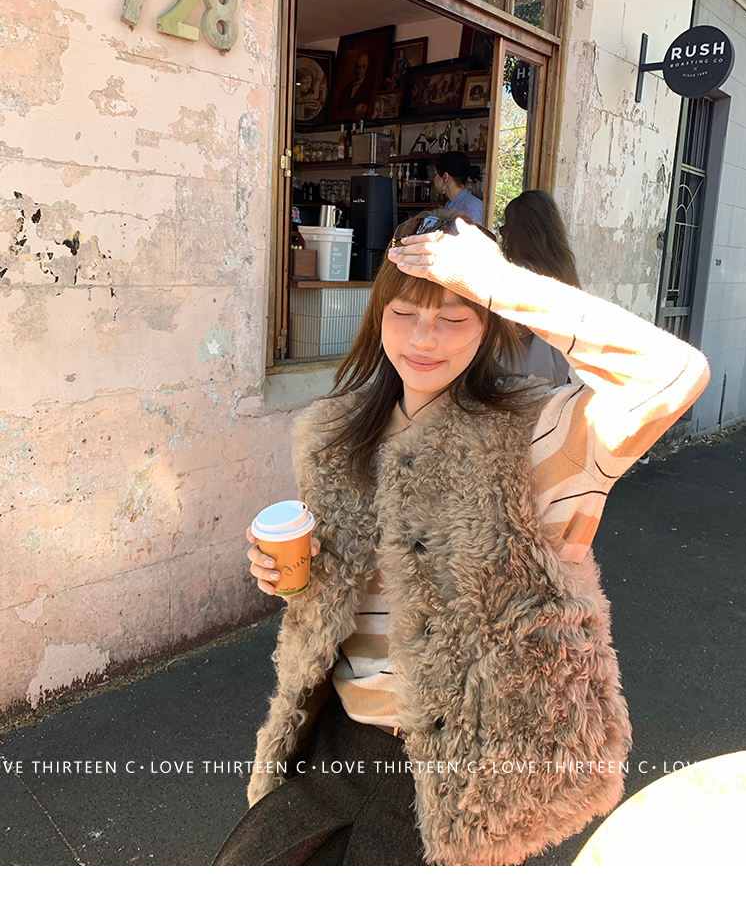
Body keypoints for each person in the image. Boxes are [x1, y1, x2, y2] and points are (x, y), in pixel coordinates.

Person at [215, 212, 709, 867]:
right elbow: (340, 604)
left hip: (462, 774)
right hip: (335, 744)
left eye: (455, 316)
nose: (424, 337)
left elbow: (673, 372)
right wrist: (291, 576)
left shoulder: (538, 434)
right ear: (378, 316)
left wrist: (498, 280)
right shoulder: (336, 436)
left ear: (489, 322)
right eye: (403, 313)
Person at [499, 188, 582, 387]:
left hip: (520, 379)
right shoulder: (563, 270)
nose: (503, 236)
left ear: (517, 233)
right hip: (554, 377)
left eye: (505, 229)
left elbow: (511, 330)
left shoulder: (523, 274)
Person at [432, 151, 483, 224]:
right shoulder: (449, 206)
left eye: (435, 175)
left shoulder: (472, 208)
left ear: (446, 177)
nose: (434, 179)